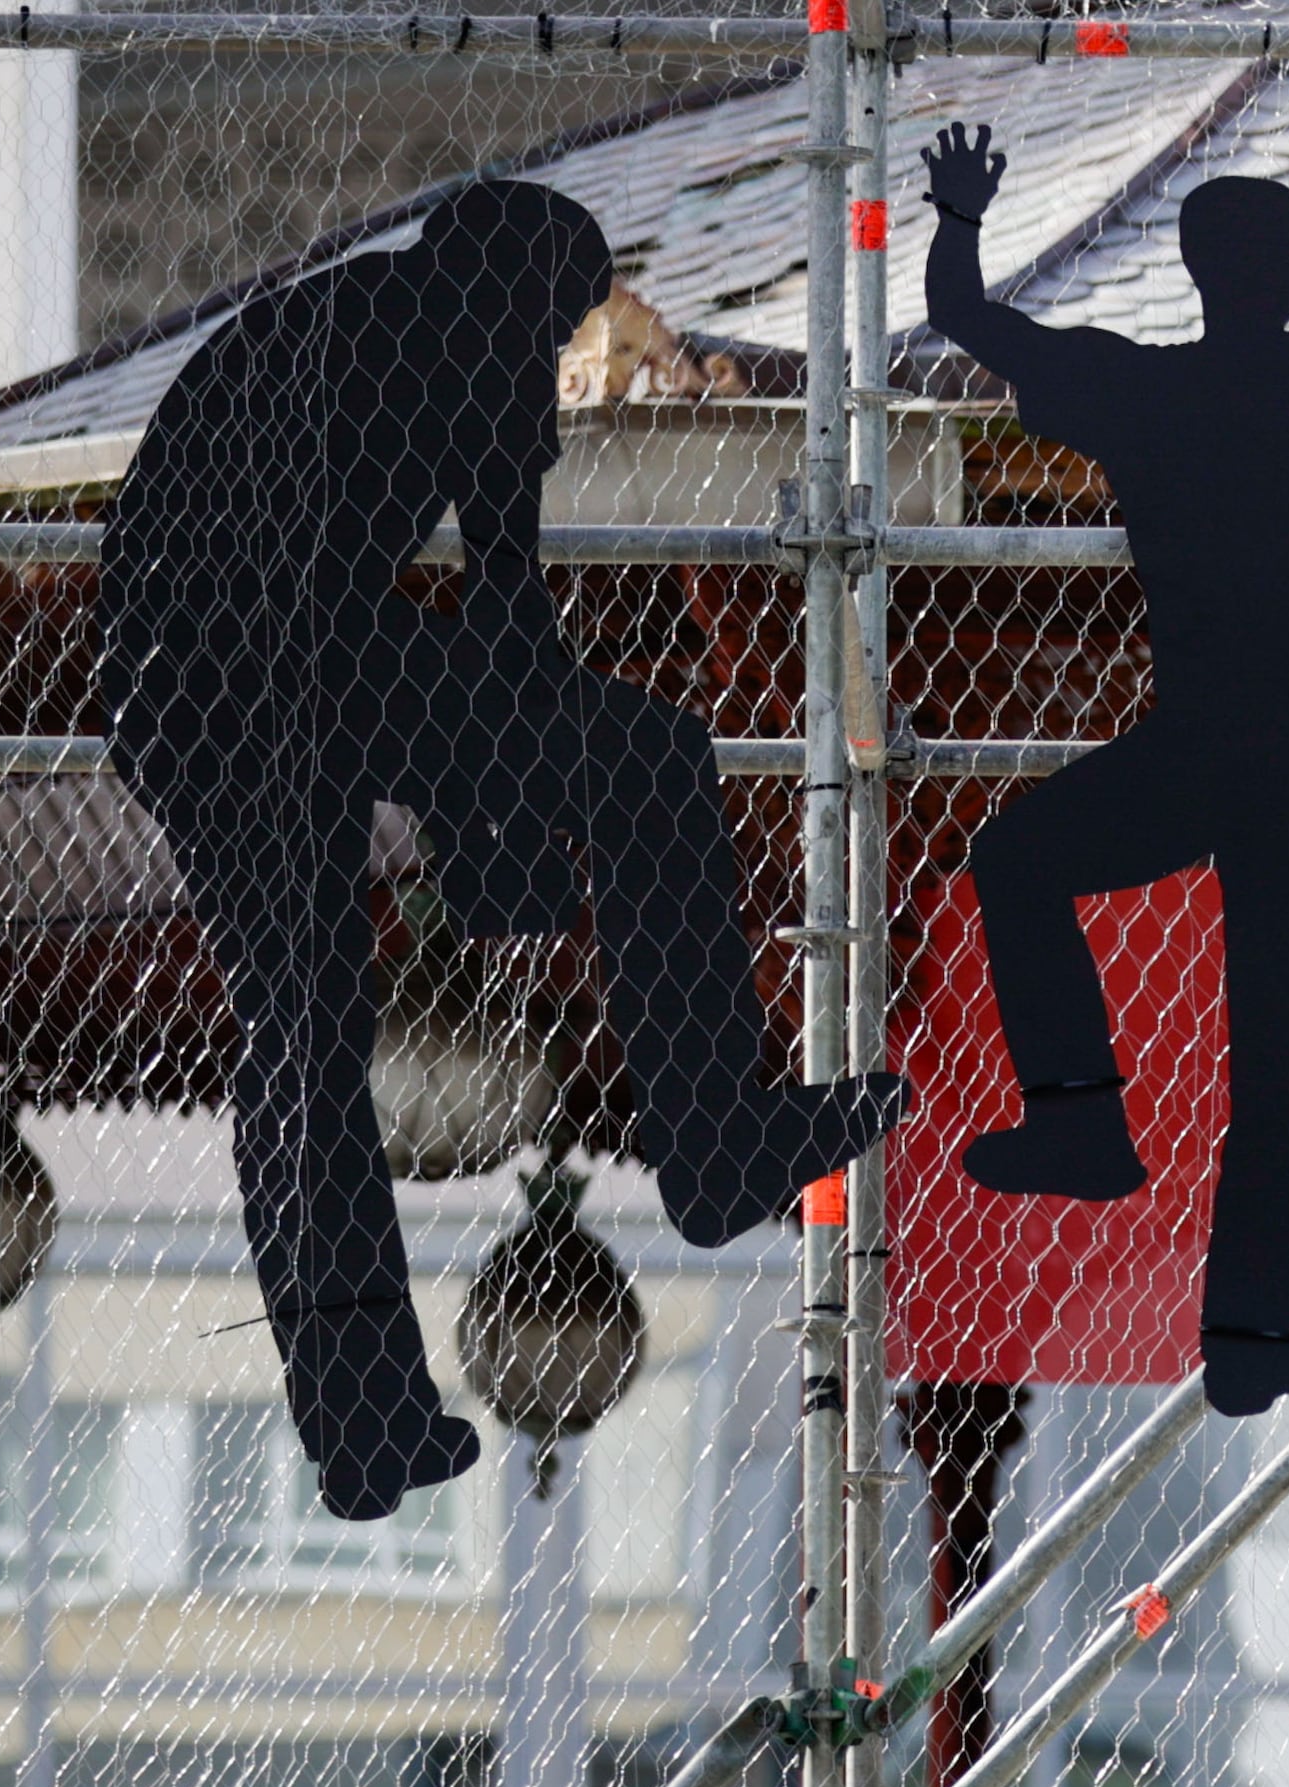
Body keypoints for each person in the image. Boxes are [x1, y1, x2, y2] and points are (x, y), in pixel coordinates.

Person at [100, 178, 902, 1524]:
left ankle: (695, 1155)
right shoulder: (388, 341)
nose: (546, 352)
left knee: (628, 771)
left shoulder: (428, 338)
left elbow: (502, 613)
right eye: (548, 321)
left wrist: (508, 823)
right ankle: (383, 1400)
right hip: (218, 672)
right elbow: (460, 620)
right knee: (317, 1017)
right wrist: (494, 823)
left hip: (279, 664)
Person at [920, 0, 1289, 1421]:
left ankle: (1082, 1116)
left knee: (1016, 861)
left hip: (1203, 742)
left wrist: (965, 212)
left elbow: (963, 318)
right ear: (1285, 273)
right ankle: (1245, 1334)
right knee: (1280, 1065)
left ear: (1198, 273)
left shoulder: (1140, 392)